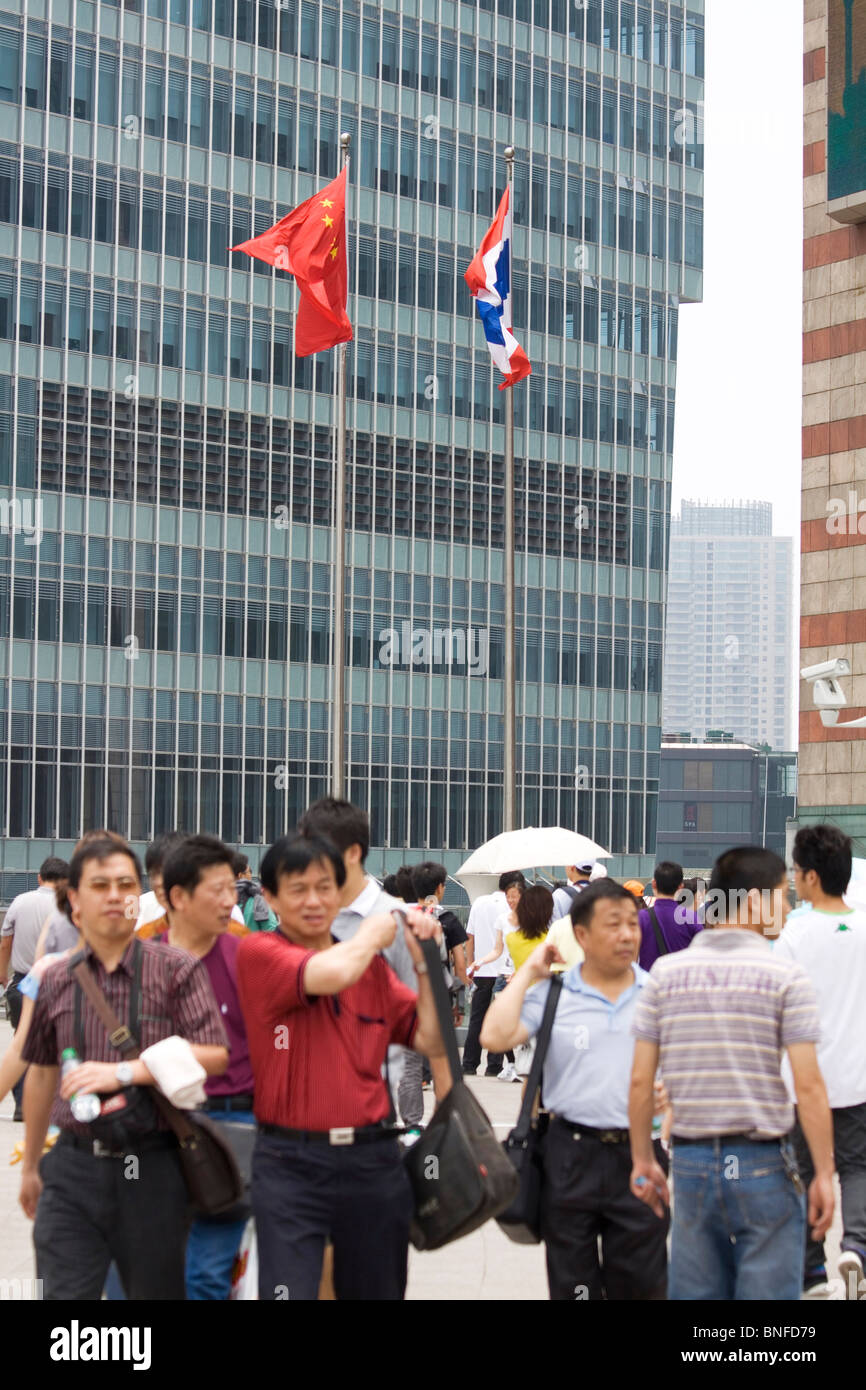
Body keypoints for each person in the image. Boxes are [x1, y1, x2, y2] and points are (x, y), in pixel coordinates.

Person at [18, 834, 230, 1300]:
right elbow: (41, 1073)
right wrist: (32, 1165)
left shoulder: (176, 968)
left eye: (125, 884)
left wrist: (126, 1072)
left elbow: (214, 1053)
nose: (115, 895)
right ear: (74, 898)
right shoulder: (54, 978)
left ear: (141, 896)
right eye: (100, 885)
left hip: (153, 1164)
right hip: (73, 1165)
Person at [236, 833, 446, 1301]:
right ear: (268, 897)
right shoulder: (259, 954)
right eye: (298, 889)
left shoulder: (371, 971)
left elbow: (430, 1039)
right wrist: (378, 926)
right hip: (290, 1163)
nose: (314, 901)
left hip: (372, 1159)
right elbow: (330, 974)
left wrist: (425, 966)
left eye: (325, 888)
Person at [629, 846, 835, 1303]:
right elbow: (808, 1084)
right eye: (783, 895)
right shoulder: (785, 975)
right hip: (765, 1163)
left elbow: (642, 1079)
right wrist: (823, 1171)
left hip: (691, 1163)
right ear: (757, 901)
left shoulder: (664, 975)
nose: (789, 906)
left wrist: (643, 1157)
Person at [481, 880, 668, 1300]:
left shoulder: (656, 992)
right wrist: (529, 970)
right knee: (573, 1285)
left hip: (639, 1153)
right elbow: (493, 1037)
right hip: (570, 1155)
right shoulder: (555, 994)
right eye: (612, 924)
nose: (627, 934)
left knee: (643, 1285)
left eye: (632, 924)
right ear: (580, 934)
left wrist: (671, 1103)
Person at [297, 799, 448, 1128]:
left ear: (351, 853)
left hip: (374, 1116)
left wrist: (449, 1118)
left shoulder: (400, 922)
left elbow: (431, 1031)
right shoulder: (301, 915)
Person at [157, 834, 257, 1300]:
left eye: (231, 888)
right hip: (153, 1132)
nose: (228, 900)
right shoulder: (139, 962)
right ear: (177, 896)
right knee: (149, 1272)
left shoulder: (248, 959)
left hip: (230, 1129)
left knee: (207, 1276)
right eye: (215, 889)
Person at [776, 824, 866, 1299]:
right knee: (857, 1168)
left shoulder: (793, 933)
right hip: (857, 1076)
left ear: (810, 876)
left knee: (804, 1173)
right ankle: (856, 1246)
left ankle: (812, 1272)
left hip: (802, 1079)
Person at [0, 857, 70, 1119]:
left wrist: (2, 977)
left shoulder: (20, 901)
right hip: (60, 984)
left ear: (39, 878)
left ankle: (21, 1106)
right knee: (59, 1046)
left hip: (23, 981)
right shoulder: (68, 906)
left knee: (23, 1043)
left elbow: (5, 943)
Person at [462, 871, 525, 1077]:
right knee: (499, 1019)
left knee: (477, 1018)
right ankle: (493, 1065)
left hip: (482, 969)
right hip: (504, 971)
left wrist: (471, 964)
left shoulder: (479, 903)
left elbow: (469, 937)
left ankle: (469, 1064)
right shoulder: (514, 908)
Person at [637, 861, 702, 971]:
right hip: (679, 985)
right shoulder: (691, 918)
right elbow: (701, 955)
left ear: (654, 884)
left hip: (649, 983)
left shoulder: (640, 918)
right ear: (681, 887)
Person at [233, 851, 278, 932]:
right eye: (249, 872)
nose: (250, 874)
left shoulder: (220, 900)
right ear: (240, 875)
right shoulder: (257, 899)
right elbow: (271, 929)